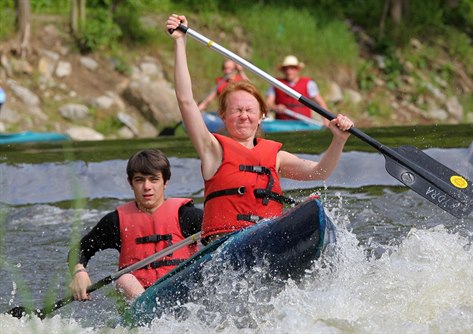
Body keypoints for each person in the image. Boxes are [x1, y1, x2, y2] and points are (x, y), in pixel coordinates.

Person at [166, 14, 354, 244]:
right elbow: (185, 100)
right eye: (236, 110)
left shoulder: (277, 158)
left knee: (312, 208)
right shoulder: (211, 149)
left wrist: (339, 140)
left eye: (249, 110)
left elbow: (319, 172)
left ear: (261, 115)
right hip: (225, 246)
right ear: (224, 116)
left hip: (268, 242)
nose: (243, 115)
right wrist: (179, 42)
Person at [68, 149, 203, 301]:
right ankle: (147, 309)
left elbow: (219, 239)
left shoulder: (186, 215)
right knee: (124, 279)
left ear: (165, 182)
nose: (147, 186)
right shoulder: (116, 222)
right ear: (130, 183)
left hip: (183, 293)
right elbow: (80, 250)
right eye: (139, 180)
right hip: (137, 297)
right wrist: (79, 272)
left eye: (154, 179)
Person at [266, 55, 329, 125]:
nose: (289, 71)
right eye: (286, 69)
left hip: (304, 124)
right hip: (282, 124)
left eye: (292, 68)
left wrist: (326, 121)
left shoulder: (309, 84)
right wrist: (275, 107)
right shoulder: (276, 83)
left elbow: (320, 103)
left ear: (297, 69)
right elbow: (268, 103)